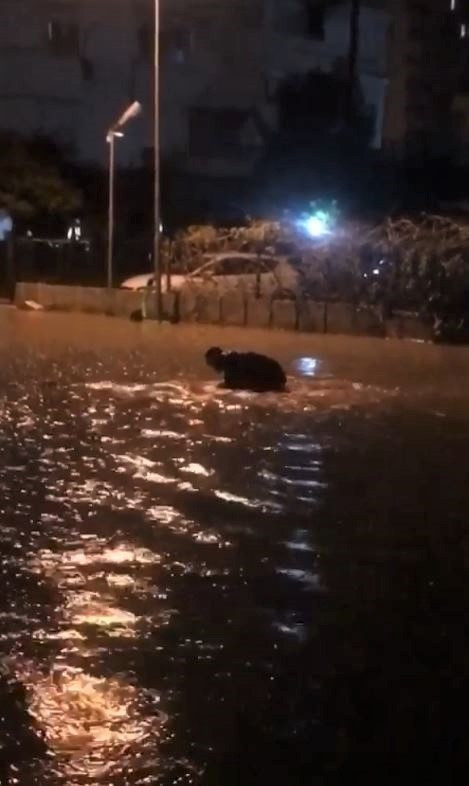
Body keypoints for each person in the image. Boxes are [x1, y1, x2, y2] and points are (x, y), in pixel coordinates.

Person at [205, 346, 287, 392]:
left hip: (272, 377)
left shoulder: (229, 363)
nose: (213, 368)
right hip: (276, 373)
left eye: (211, 364)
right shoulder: (233, 359)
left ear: (215, 359)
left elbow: (233, 385)